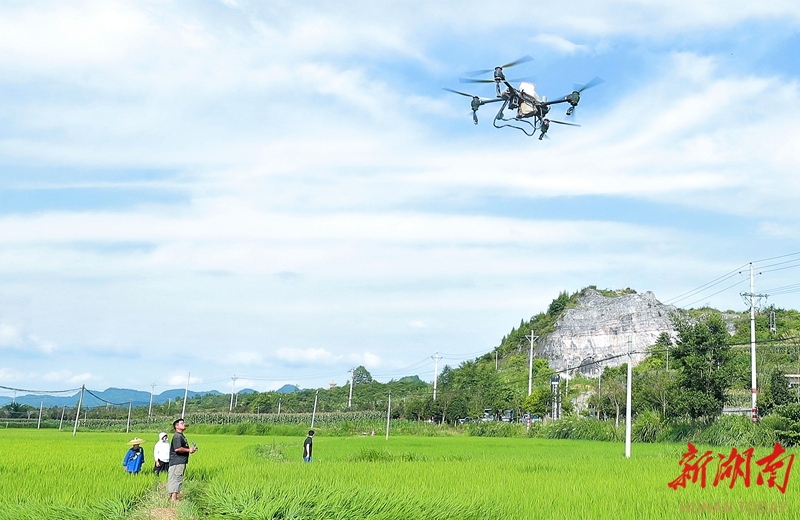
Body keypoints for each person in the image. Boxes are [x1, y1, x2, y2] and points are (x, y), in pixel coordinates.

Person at [167, 418, 197, 501]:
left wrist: (190, 450)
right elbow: (177, 449)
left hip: (179, 461)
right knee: (176, 478)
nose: (184, 424)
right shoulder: (177, 436)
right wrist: (189, 450)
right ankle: (173, 499)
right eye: (181, 423)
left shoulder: (181, 436)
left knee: (176, 478)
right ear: (176, 426)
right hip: (177, 461)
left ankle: (173, 498)